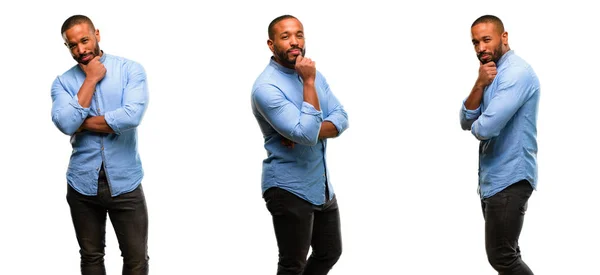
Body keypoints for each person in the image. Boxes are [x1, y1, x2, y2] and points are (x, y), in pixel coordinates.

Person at [51, 14, 150, 275]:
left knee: (136, 260)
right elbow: (64, 124)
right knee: (91, 258)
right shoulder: (62, 82)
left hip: (125, 182)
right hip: (82, 183)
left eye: (84, 40)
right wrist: (91, 79)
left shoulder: (130, 70)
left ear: (97, 34)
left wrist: (81, 122)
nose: (80, 49)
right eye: (73, 45)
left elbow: (132, 116)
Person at [251, 14, 349, 275]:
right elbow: (305, 133)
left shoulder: (316, 74)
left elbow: (340, 118)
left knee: (329, 251)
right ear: (271, 45)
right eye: (285, 37)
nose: (295, 42)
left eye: (299, 34)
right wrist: (308, 83)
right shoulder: (266, 87)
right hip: (287, 187)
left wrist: (307, 131)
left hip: (320, 185)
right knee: (292, 264)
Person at [459, 15, 540, 275]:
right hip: (493, 180)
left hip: (510, 178)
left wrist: (479, 120)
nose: (480, 47)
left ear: (503, 37)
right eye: (475, 42)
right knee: (508, 253)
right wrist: (480, 83)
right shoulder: (490, 74)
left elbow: (484, 128)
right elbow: (465, 119)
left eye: (486, 39)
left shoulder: (516, 73)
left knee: (502, 257)